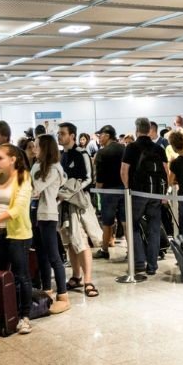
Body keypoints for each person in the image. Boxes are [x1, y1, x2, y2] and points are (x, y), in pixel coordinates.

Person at [0, 143, 39, 330]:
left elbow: (18, 209)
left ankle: (25, 316)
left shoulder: (23, 177)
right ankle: (3, 314)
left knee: (22, 275)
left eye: (0, 158)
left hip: (18, 235)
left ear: (13, 160)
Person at [121, 117, 169, 276]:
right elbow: (165, 172)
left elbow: (124, 171)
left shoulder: (131, 147)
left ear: (137, 129)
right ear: (149, 130)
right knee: (154, 228)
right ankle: (153, 265)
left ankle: (140, 261)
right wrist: (164, 193)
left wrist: (128, 188)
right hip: (155, 193)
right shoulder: (159, 148)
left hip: (137, 193)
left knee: (133, 225)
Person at [30, 135, 72, 310]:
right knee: (42, 256)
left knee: (54, 256)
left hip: (48, 215)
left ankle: (63, 295)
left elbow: (35, 188)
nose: (34, 149)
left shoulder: (54, 168)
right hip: (35, 215)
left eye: (37, 146)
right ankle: (47, 290)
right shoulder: (37, 165)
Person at [57, 122, 98, 298]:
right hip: (63, 203)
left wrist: (69, 190)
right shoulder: (61, 156)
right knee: (69, 242)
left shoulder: (81, 154)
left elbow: (89, 178)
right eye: (58, 133)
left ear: (72, 135)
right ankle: (76, 275)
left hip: (78, 202)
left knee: (81, 240)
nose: (59, 136)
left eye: (63, 133)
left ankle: (88, 280)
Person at [93, 125, 125, 259]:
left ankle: (105, 250)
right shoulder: (124, 149)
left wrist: (97, 190)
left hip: (108, 191)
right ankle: (132, 251)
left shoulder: (102, 152)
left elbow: (100, 176)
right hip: (125, 190)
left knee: (107, 222)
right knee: (125, 221)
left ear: (107, 135)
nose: (99, 138)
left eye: (100, 135)